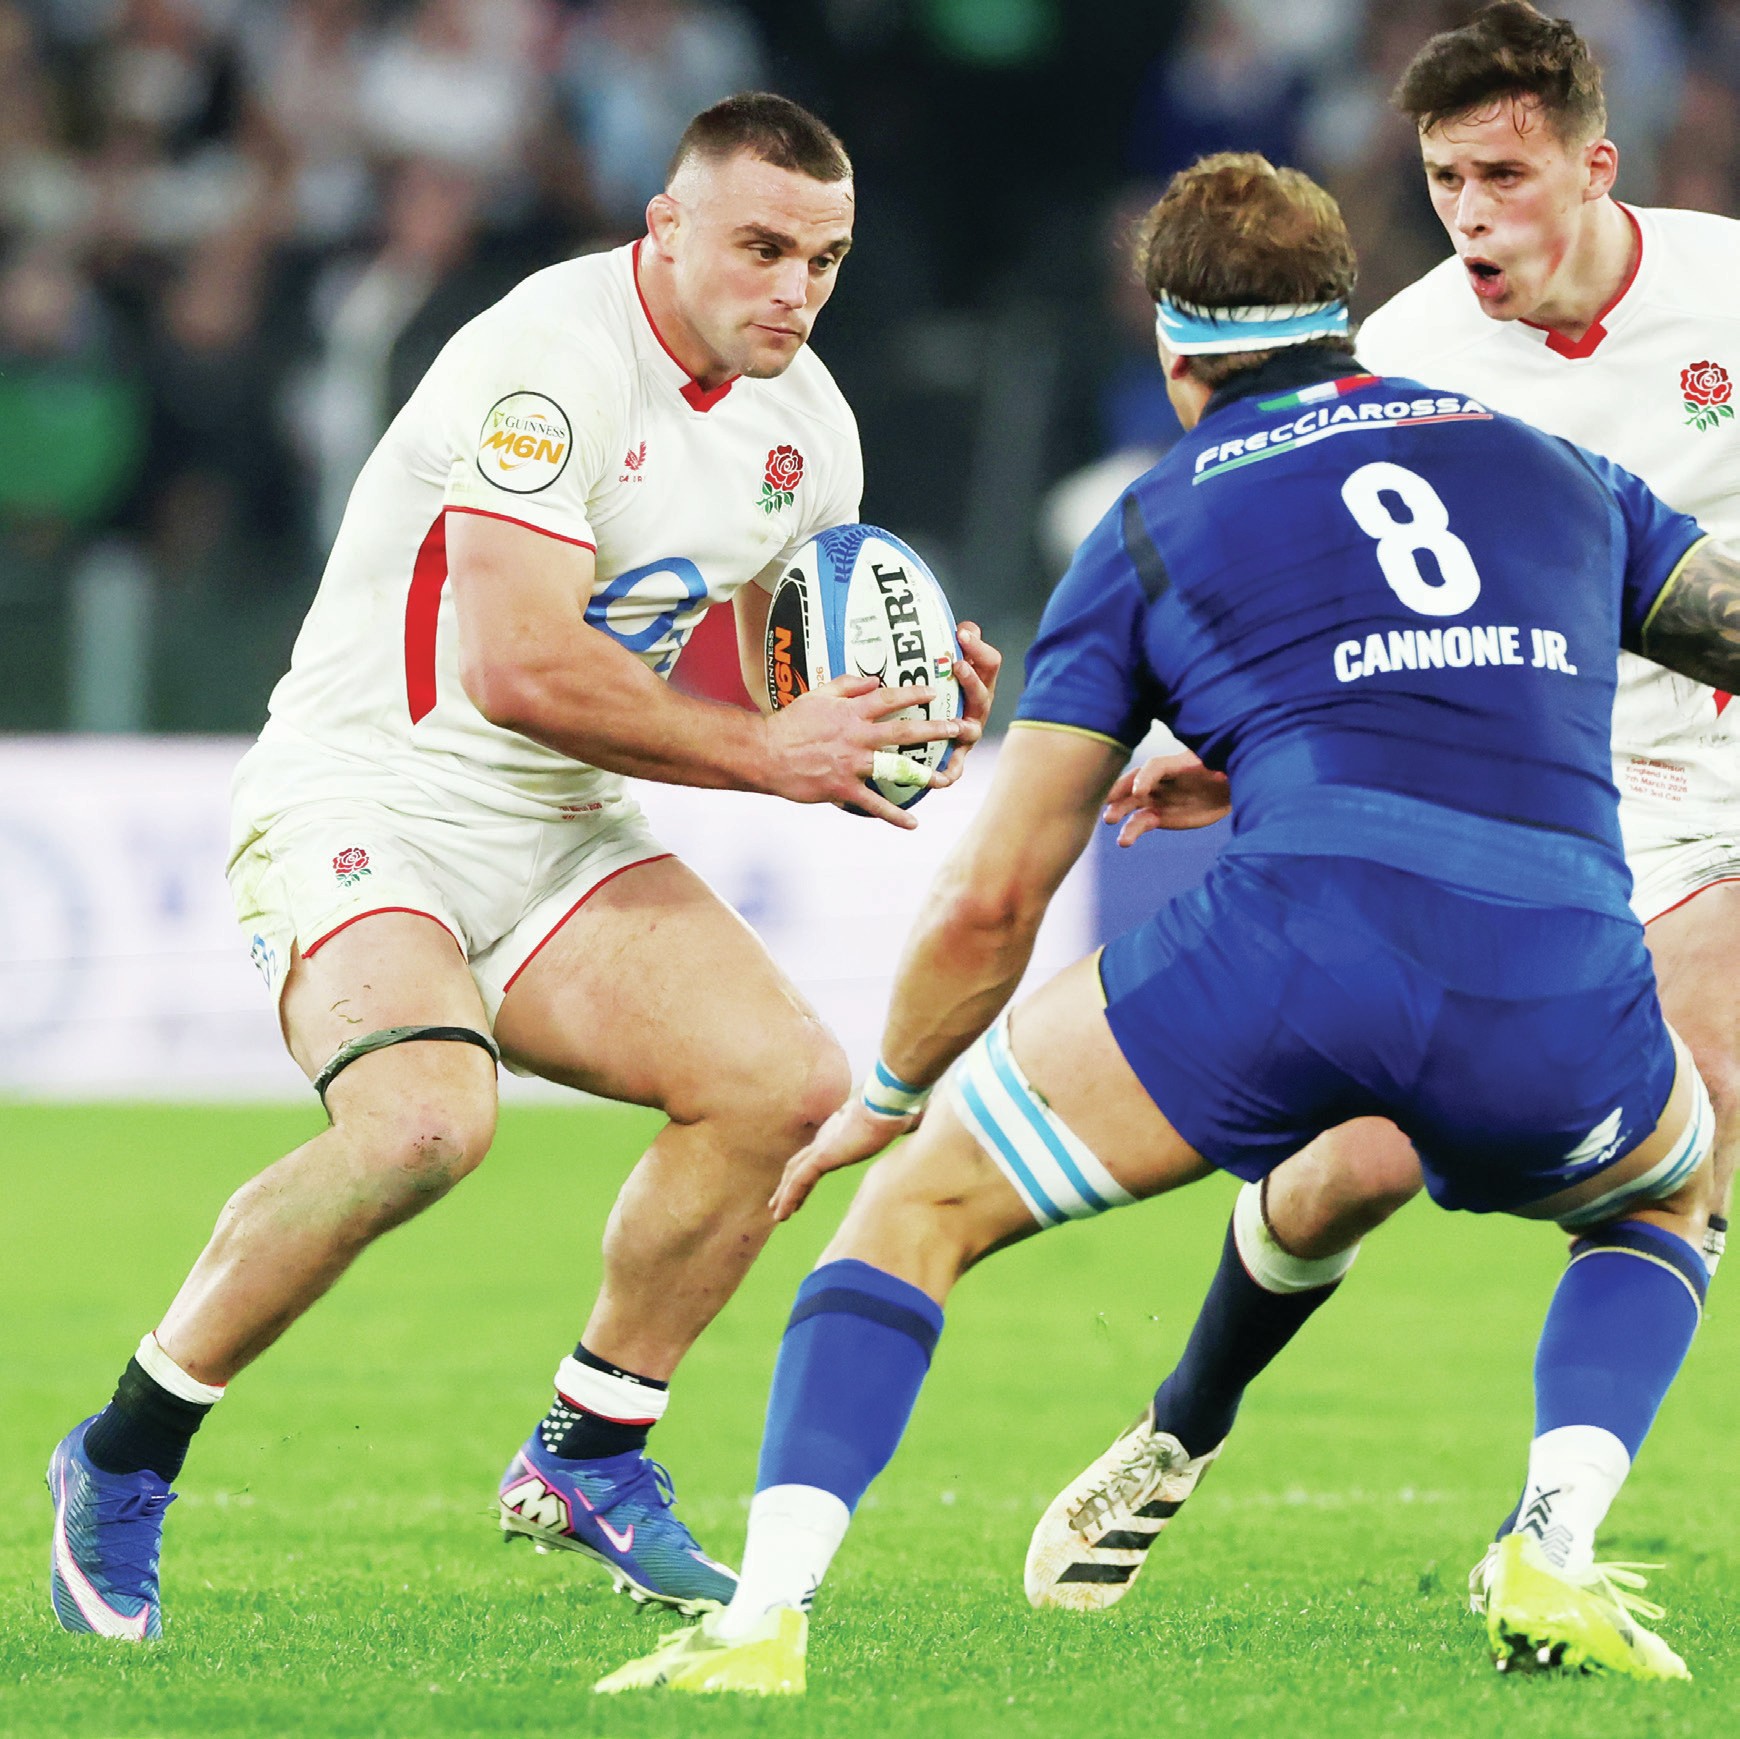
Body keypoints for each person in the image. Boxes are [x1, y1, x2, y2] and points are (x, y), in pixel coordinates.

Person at [593, 149, 1737, 1697]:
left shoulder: (1151, 522)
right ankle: (1553, 1540)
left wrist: (892, 1092)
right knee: (1668, 1193)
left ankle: (763, 1623)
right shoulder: (1553, 467)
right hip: (1552, 965)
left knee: (917, 1214)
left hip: (1298, 951)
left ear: (1173, 347)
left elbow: (998, 893)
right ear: (1343, 313)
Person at [45, 91, 999, 1642]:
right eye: (761, 248)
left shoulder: (808, 426)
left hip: (559, 831)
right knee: (424, 1124)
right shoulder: (548, 361)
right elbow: (515, 665)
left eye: (823, 260)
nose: (795, 290)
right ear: (666, 228)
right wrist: (773, 756)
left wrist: (898, 706)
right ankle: (123, 1455)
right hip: (369, 792)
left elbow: (773, 658)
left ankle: (589, 1453)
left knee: (780, 1084)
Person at [1066, 0, 1740, 1619]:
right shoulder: (1412, 359)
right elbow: (1364, 619)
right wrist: (1237, 757)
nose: (1471, 214)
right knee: (1352, 1165)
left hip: (1721, 781)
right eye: (1444, 180)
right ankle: (1183, 1422)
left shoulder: (1729, 288)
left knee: (1698, 1117)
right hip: (1531, 788)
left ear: (1596, 165)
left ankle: (1548, 1540)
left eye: (1505, 175)